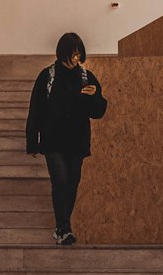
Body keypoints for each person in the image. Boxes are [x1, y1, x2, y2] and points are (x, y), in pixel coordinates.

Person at [26, 32, 107, 245]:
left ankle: (62, 227)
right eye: (73, 53)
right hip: (53, 140)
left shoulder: (86, 77)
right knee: (60, 181)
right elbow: (36, 109)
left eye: (79, 53)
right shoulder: (48, 76)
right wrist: (32, 141)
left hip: (77, 140)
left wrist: (94, 97)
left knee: (72, 183)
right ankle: (64, 228)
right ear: (63, 53)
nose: (76, 58)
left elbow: (98, 112)